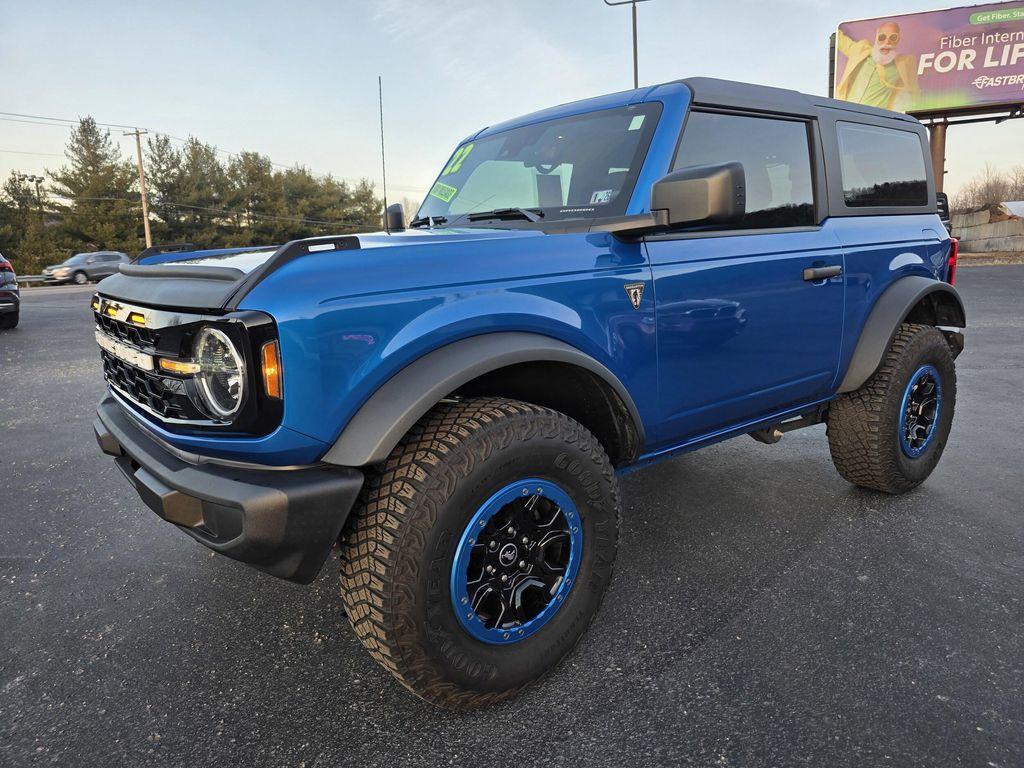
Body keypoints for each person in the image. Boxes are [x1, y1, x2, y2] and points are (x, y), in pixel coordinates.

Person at [835, 21, 919, 111]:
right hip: (847, 113)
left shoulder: (903, 63)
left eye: (893, 37)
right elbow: (840, 40)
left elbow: (913, 92)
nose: (887, 41)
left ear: (898, 40)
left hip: (874, 120)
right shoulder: (860, 51)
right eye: (882, 37)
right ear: (876, 37)